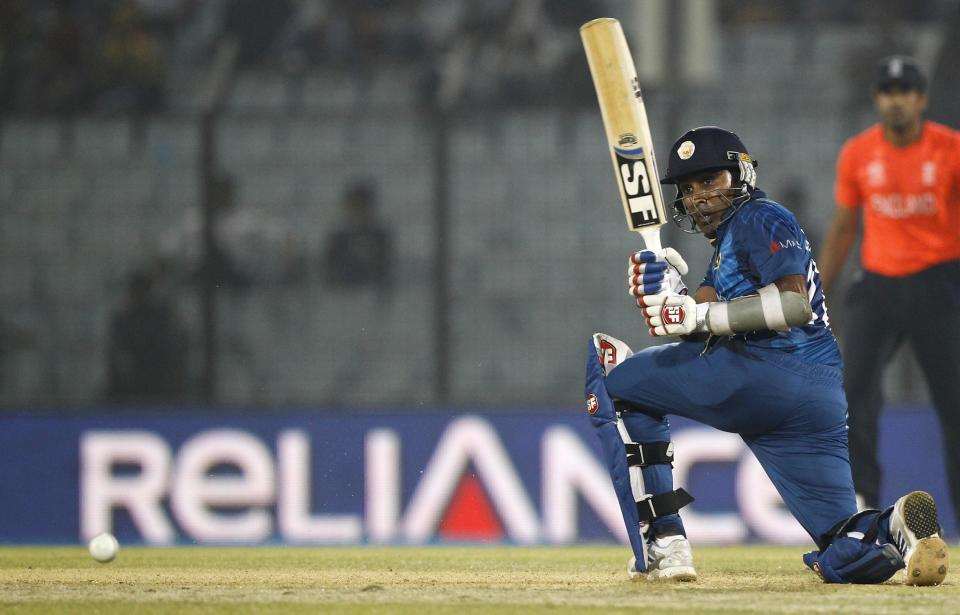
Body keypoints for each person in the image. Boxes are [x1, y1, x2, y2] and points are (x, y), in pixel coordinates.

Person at [585, 126, 950, 585]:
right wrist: (666, 298)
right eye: (689, 187)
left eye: (709, 180)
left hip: (761, 370)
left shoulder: (761, 217)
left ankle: (664, 541)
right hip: (816, 396)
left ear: (740, 172)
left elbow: (792, 306)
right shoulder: (727, 249)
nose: (697, 196)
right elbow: (695, 321)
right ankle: (895, 527)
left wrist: (697, 319)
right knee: (841, 544)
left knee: (611, 374)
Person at [817, 56, 960, 533]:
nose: (896, 99)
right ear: (878, 99)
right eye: (887, 91)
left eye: (905, 91)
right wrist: (816, 291)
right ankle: (862, 507)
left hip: (938, 282)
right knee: (852, 392)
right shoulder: (858, 153)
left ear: (920, 99)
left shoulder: (951, 149)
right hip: (876, 284)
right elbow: (842, 229)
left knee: (954, 404)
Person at [322, 180, 393, 293]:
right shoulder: (338, 238)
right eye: (353, 207)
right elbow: (329, 271)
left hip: (372, 291)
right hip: (343, 293)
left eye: (361, 207)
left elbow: (384, 268)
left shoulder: (380, 236)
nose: (356, 213)